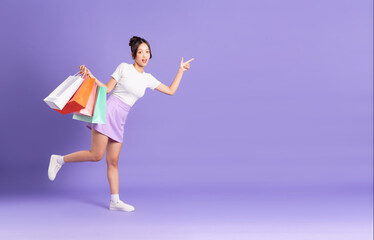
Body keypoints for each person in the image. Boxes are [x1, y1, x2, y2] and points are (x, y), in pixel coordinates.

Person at [48, 36, 194, 212]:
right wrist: (91, 76)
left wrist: (181, 71)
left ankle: (115, 201)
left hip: (121, 119)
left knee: (113, 161)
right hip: (109, 112)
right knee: (96, 155)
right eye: (140, 52)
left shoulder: (148, 78)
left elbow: (171, 91)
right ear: (133, 54)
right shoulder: (124, 68)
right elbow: (107, 89)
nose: (144, 55)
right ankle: (59, 160)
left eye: (147, 52)